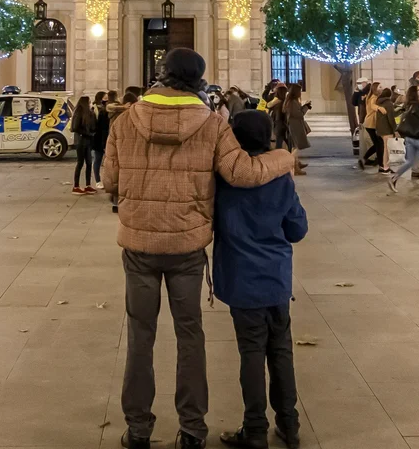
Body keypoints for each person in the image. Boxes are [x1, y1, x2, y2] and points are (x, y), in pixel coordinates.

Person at [102, 47, 295, 449]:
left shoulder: (124, 121)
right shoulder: (212, 124)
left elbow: (110, 182)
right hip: (187, 247)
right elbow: (243, 173)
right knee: (190, 334)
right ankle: (192, 429)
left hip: (139, 245)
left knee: (141, 335)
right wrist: (284, 159)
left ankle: (138, 430)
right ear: (198, 81)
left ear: (162, 75)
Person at [213, 110, 307, 449]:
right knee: (281, 350)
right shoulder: (280, 178)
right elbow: (297, 229)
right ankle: (289, 424)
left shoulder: (224, 178)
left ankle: (254, 429)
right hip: (276, 278)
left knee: (251, 352)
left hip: (241, 278)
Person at [71, 94, 97, 194]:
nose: (91, 103)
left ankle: (88, 185)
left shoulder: (90, 113)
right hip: (81, 142)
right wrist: (88, 133)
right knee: (80, 163)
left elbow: (93, 125)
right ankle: (76, 186)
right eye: (89, 102)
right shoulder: (78, 113)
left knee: (89, 163)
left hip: (88, 141)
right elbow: (75, 128)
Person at [369, 88, 399, 174]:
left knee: (385, 148)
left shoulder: (379, 102)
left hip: (380, 129)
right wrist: (395, 130)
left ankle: (384, 166)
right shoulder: (388, 103)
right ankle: (386, 167)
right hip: (387, 129)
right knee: (387, 149)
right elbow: (391, 118)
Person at [283, 86, 310, 175]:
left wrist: (305, 106)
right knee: (296, 147)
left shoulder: (291, 101)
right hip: (296, 126)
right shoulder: (292, 102)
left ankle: (296, 165)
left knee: (295, 147)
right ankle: (294, 166)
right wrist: (305, 107)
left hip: (295, 125)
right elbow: (299, 114)